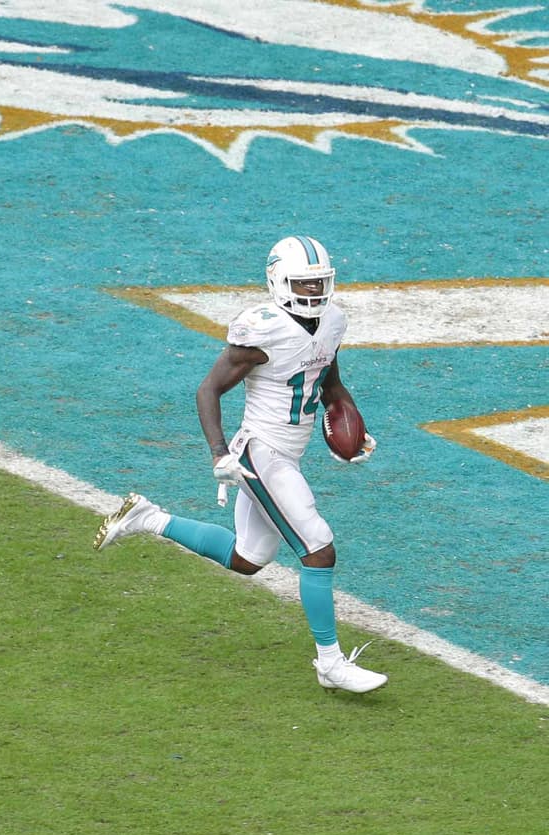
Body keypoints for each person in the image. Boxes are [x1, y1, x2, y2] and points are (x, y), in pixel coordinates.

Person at [94, 235, 383, 693]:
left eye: (318, 284)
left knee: (248, 559)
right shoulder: (261, 331)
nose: (313, 294)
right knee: (318, 548)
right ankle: (330, 663)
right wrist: (220, 453)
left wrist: (347, 427)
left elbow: (328, 379)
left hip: (288, 451)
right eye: (303, 285)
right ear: (278, 282)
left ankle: (148, 518)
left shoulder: (332, 321)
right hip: (260, 452)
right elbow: (208, 390)